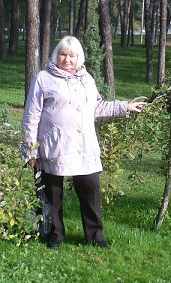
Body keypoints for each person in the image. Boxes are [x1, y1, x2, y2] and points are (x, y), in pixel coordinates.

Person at [21, 36, 146, 248]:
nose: (67, 59)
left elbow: (97, 106)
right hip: (53, 147)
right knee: (52, 196)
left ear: (79, 57)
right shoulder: (43, 79)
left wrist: (125, 107)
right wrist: (30, 151)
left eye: (72, 55)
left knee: (91, 194)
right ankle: (54, 235)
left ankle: (95, 237)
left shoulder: (86, 79)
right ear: (55, 55)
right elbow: (31, 116)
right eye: (63, 54)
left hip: (83, 147)